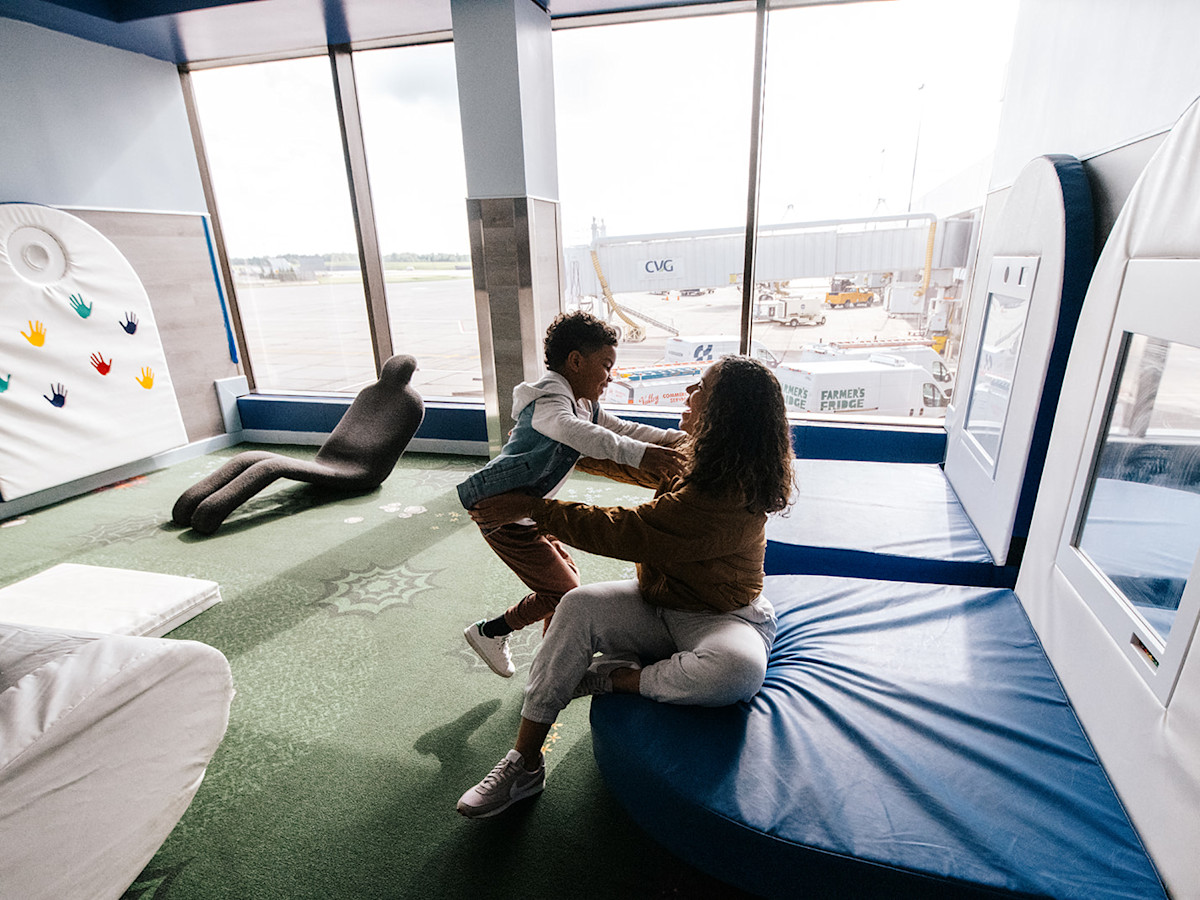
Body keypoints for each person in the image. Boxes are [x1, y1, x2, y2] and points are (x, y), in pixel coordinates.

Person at [455, 355, 795, 818]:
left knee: (735, 670)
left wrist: (535, 507)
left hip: (720, 616)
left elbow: (630, 530)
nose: (688, 396)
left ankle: (611, 678)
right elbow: (627, 453)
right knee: (575, 604)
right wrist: (554, 440)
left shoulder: (731, 491)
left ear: (726, 413)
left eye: (701, 390)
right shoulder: (696, 454)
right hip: (656, 603)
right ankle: (525, 761)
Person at [457, 311, 687, 678]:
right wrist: (644, 457)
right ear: (576, 361)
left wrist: (675, 441)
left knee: (566, 584)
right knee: (564, 592)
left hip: (530, 510)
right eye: (605, 365)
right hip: (502, 512)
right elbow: (582, 435)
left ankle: (547, 661)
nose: (610, 377)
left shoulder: (583, 403)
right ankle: (490, 632)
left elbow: (622, 428)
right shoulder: (549, 402)